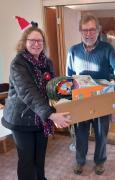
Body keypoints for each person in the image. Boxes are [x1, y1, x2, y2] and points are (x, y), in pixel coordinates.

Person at [1, 25, 71, 180]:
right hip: (21, 118)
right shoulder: (18, 64)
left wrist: (67, 90)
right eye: (32, 40)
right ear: (24, 42)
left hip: (40, 119)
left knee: (39, 158)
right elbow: (28, 92)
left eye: (40, 40)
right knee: (27, 160)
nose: (36, 44)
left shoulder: (47, 62)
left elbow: (51, 87)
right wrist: (52, 115)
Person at [66, 13, 115, 175]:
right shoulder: (73, 51)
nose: (88, 33)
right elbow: (69, 77)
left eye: (92, 29)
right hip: (81, 101)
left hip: (102, 100)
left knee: (101, 133)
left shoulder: (107, 49)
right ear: (80, 31)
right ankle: (80, 161)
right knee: (80, 134)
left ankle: (100, 161)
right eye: (85, 30)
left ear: (98, 30)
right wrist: (68, 100)